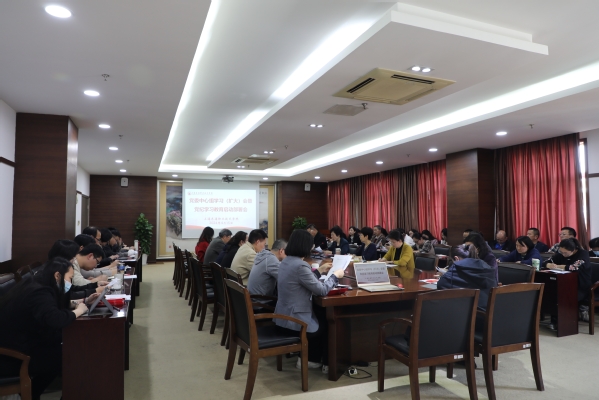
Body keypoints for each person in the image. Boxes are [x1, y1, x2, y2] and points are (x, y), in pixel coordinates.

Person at [0, 258, 92, 400]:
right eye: (70, 278)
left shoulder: (36, 284)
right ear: (57, 275)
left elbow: (50, 308)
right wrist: (78, 311)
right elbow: (55, 319)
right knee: (67, 355)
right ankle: (32, 394)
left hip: (22, 343)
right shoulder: (39, 291)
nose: (71, 282)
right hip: (12, 356)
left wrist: (80, 303)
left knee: (67, 347)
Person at [273, 230, 343, 371]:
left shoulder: (286, 261)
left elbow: (302, 280)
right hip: (295, 320)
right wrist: (335, 276)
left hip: (282, 316)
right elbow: (322, 290)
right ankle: (311, 360)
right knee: (327, 323)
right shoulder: (300, 265)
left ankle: (311, 358)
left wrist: (319, 271)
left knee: (320, 314)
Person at [543, 238, 592, 322]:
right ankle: (555, 321)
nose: (563, 254)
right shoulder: (561, 254)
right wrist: (549, 265)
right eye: (561, 252)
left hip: (581, 286)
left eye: (565, 252)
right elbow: (545, 262)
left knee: (563, 297)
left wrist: (558, 266)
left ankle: (566, 322)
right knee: (552, 294)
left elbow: (573, 267)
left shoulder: (583, 254)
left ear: (573, 250)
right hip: (565, 284)